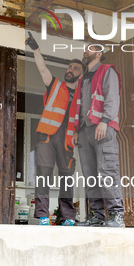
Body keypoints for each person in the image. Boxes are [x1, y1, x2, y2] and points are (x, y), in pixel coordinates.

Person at [25, 32, 85, 226]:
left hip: (67, 141)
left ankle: (67, 218)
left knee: (67, 179)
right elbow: (42, 69)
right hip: (46, 137)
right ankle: (43, 216)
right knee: (43, 175)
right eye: (69, 66)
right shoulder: (55, 85)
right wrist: (35, 49)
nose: (70, 69)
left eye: (75, 68)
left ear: (80, 74)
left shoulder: (82, 97)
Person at [72, 45, 125, 227]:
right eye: (84, 49)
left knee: (108, 172)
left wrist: (105, 120)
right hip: (85, 131)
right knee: (90, 176)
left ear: (99, 54)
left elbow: (112, 97)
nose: (84, 51)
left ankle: (117, 216)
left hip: (103, 128)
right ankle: (97, 217)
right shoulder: (82, 79)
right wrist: (76, 130)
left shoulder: (106, 71)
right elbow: (79, 106)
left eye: (89, 49)